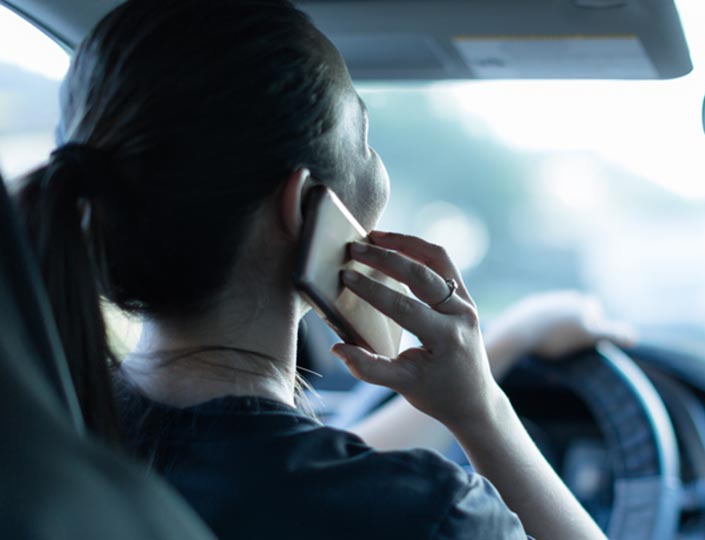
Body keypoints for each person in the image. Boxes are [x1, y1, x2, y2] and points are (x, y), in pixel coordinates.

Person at [13, 1, 626, 538]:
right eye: (364, 140)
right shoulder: (432, 516)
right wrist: (482, 412)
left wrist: (509, 340)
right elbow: (315, 483)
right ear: (302, 206)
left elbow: (292, 470)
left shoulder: (45, 436)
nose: (375, 163)